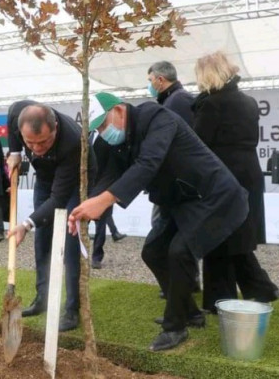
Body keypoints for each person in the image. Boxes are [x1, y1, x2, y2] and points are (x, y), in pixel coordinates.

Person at [68, 92, 248, 351]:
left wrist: (104, 201)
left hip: (212, 195)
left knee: (179, 252)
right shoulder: (116, 141)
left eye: (104, 124)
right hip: (179, 199)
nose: (104, 132)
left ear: (119, 110)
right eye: (98, 129)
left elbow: (147, 164)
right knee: (152, 251)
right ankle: (190, 312)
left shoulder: (156, 117)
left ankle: (175, 328)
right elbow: (110, 174)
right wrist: (86, 205)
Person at [191, 51, 279, 311]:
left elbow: (200, 145)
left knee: (218, 236)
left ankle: (222, 299)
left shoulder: (211, 104)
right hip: (249, 173)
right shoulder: (249, 102)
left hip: (223, 177)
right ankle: (261, 288)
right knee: (236, 236)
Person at [7, 102, 96, 332]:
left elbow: (58, 199)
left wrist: (25, 224)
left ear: (55, 127)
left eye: (44, 142)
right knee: (42, 239)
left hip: (72, 181)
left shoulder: (72, 142)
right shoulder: (18, 112)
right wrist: (16, 152)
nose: (37, 149)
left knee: (70, 242)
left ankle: (71, 309)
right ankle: (41, 299)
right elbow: (12, 116)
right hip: (44, 178)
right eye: (30, 143)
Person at [147, 61, 200, 296]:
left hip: (176, 182)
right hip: (173, 181)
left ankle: (178, 284)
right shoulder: (174, 99)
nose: (149, 86)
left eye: (150, 81)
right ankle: (182, 282)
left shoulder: (177, 100)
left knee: (161, 236)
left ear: (160, 80)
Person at [90, 131, 126, 270]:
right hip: (87, 185)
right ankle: (74, 254)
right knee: (80, 222)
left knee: (101, 224)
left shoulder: (110, 138)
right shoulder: (87, 136)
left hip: (105, 186)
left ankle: (96, 257)